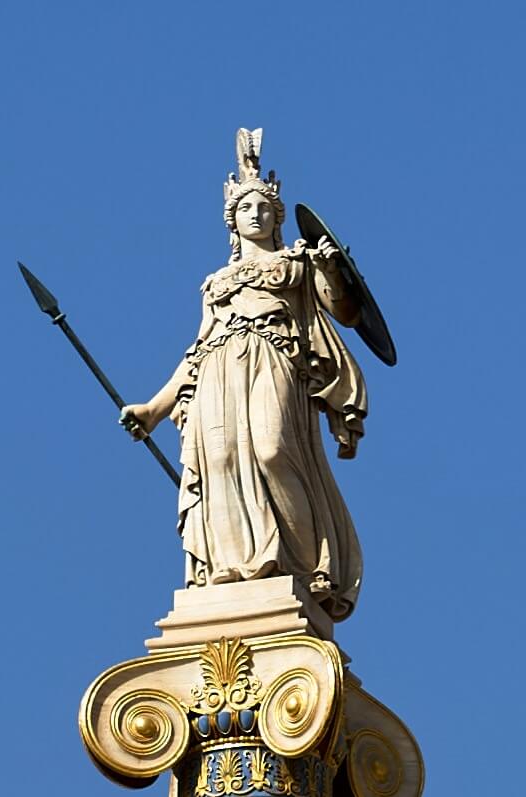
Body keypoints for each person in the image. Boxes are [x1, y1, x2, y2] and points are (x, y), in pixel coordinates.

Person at [120, 129, 367, 620]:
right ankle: (234, 563)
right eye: (244, 209)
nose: (254, 215)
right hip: (219, 368)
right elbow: (196, 350)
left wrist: (332, 269)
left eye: (263, 209)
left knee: (273, 449)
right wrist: (153, 408)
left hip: (273, 357)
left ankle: (305, 565)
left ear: (276, 218)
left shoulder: (293, 264)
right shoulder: (217, 283)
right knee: (221, 457)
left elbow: (345, 311)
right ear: (232, 221)